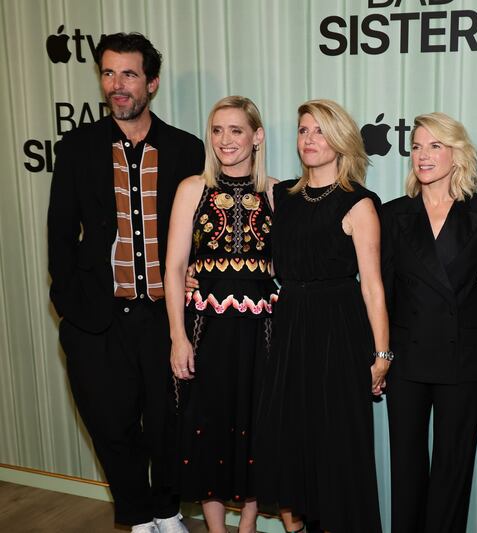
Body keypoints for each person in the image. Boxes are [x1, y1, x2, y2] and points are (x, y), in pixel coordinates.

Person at [47, 32, 204, 533]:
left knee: (168, 426)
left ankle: (167, 510)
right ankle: (137, 516)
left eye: (130, 74)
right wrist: (69, 301)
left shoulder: (186, 149)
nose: (118, 84)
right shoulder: (77, 148)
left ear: (151, 83)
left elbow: (200, 230)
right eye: (109, 73)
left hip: (165, 317)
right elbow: (59, 231)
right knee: (110, 426)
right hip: (98, 318)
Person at [254, 99, 389, 533]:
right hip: (290, 326)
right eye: (303, 130)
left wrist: (383, 354)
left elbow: (372, 286)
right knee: (290, 439)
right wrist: (196, 273)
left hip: (338, 330)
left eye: (320, 131)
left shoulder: (359, 203)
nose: (310, 139)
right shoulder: (280, 196)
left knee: (336, 445)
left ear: (342, 140)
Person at [380, 112, 477, 533]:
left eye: (435, 146)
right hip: (408, 355)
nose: (423, 155)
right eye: (416, 146)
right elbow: (382, 292)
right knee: (407, 466)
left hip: (462, 357)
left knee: (454, 467)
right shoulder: (393, 214)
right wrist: (379, 354)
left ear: (456, 153)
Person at [164, 96, 278, 533]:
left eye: (236, 130)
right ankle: (216, 529)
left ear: (256, 136)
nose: (225, 140)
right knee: (205, 427)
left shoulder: (274, 191)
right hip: (204, 329)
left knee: (256, 424)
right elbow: (173, 267)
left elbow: (295, 265)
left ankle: (247, 524)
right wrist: (178, 335)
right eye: (217, 130)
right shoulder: (192, 188)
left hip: (261, 331)